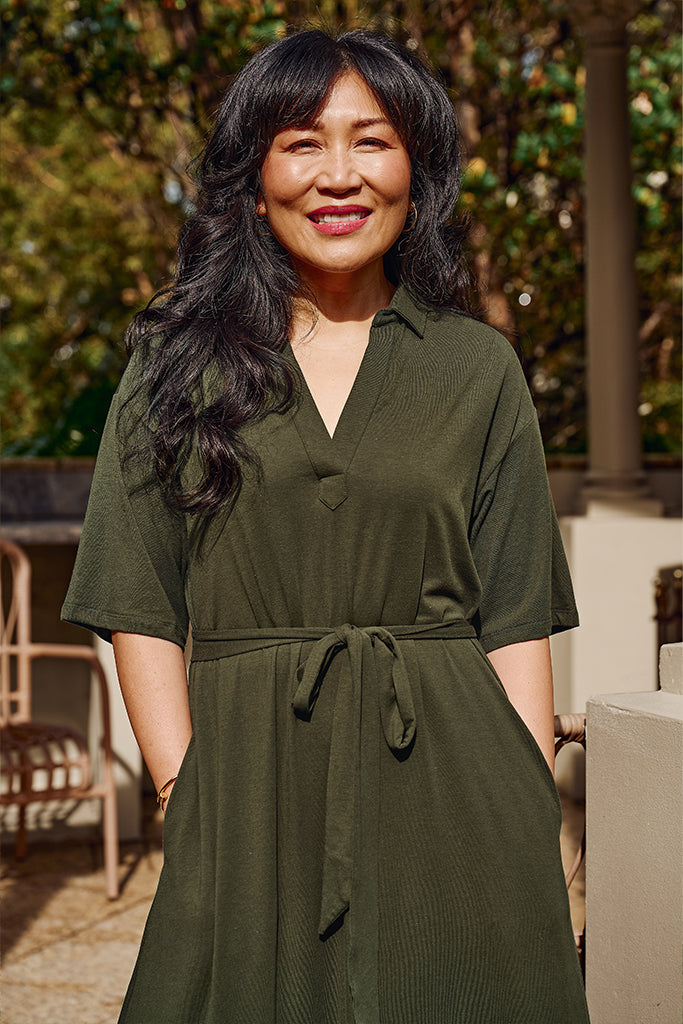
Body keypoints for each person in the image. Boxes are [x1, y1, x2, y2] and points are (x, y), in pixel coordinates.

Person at [62, 27, 590, 1024]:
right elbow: (140, 599)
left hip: (455, 779)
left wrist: (530, 821)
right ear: (253, 180)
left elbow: (512, 617)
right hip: (247, 788)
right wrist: (186, 793)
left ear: (414, 172)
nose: (338, 174)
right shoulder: (172, 360)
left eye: (372, 140)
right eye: (302, 142)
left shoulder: (476, 370)